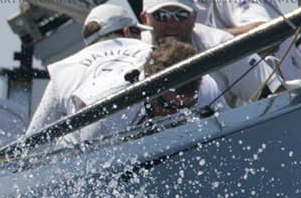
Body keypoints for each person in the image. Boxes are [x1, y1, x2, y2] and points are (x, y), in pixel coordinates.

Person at [139, 0, 272, 107]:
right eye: (161, 15)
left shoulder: (221, 44)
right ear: (144, 19)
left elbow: (275, 96)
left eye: (181, 14)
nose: (172, 23)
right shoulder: (135, 53)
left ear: (194, 17)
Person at [72, 38, 223, 143]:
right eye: (168, 106)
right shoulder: (109, 116)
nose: (176, 113)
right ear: (149, 84)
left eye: (187, 106)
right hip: (79, 131)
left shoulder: (206, 88)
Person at [28, 2, 149, 133]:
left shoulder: (62, 72)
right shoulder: (149, 52)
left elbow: (34, 138)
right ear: (128, 32)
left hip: (93, 148)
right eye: (138, 32)